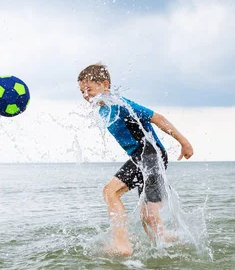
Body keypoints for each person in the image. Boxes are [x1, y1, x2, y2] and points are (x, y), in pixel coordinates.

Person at [78, 63, 194, 256]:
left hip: (150, 155)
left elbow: (157, 117)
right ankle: (178, 244)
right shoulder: (102, 110)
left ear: (105, 84)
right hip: (143, 156)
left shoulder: (120, 104)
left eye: (89, 89)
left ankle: (123, 245)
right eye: (82, 91)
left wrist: (184, 142)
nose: (85, 95)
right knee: (149, 220)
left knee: (110, 192)